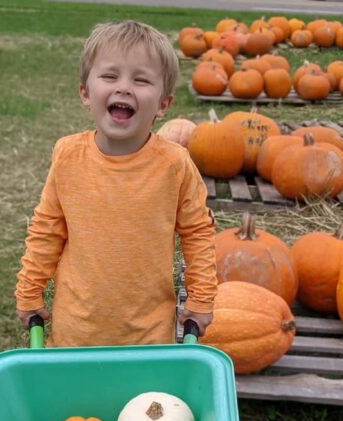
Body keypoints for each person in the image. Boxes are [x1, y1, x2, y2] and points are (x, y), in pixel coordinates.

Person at [15, 19, 217, 347]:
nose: (123, 87)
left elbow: (197, 234)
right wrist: (29, 289)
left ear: (164, 104)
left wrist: (201, 298)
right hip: (75, 329)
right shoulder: (68, 157)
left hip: (148, 335)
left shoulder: (175, 165)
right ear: (85, 92)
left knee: (142, 400)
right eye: (110, 76)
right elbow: (47, 229)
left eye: (141, 80)